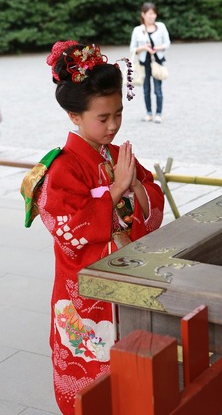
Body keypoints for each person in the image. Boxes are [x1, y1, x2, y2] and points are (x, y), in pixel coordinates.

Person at [20, 40, 164, 415]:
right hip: (84, 294)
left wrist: (136, 189)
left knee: (135, 368)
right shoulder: (60, 168)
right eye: (103, 118)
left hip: (127, 280)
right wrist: (116, 190)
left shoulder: (116, 155)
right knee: (90, 373)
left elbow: (150, 191)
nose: (113, 126)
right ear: (75, 116)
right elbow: (68, 227)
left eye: (118, 114)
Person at [130, 2, 171, 123]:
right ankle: (148, 113)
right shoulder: (137, 30)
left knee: (158, 89)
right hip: (144, 62)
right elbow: (132, 49)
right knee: (146, 89)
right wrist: (144, 48)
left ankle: (158, 113)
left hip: (157, 62)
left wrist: (158, 48)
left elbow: (167, 43)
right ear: (143, 14)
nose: (152, 16)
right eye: (149, 13)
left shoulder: (161, 27)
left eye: (154, 13)